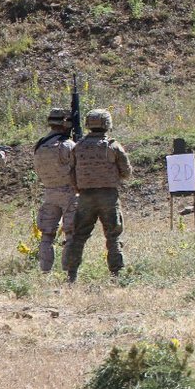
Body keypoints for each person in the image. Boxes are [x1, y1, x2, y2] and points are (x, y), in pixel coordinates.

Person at [63, 110, 132, 283]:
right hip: (108, 195)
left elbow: (71, 173)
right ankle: (117, 275)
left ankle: (71, 275)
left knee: (79, 236)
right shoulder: (112, 146)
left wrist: (80, 188)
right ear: (107, 124)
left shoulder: (78, 146)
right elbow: (126, 172)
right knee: (113, 236)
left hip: (85, 196)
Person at [33, 108, 77, 271]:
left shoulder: (40, 145)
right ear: (65, 123)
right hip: (70, 193)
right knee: (71, 234)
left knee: (47, 236)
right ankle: (68, 271)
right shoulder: (67, 145)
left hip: (49, 193)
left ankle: (45, 270)